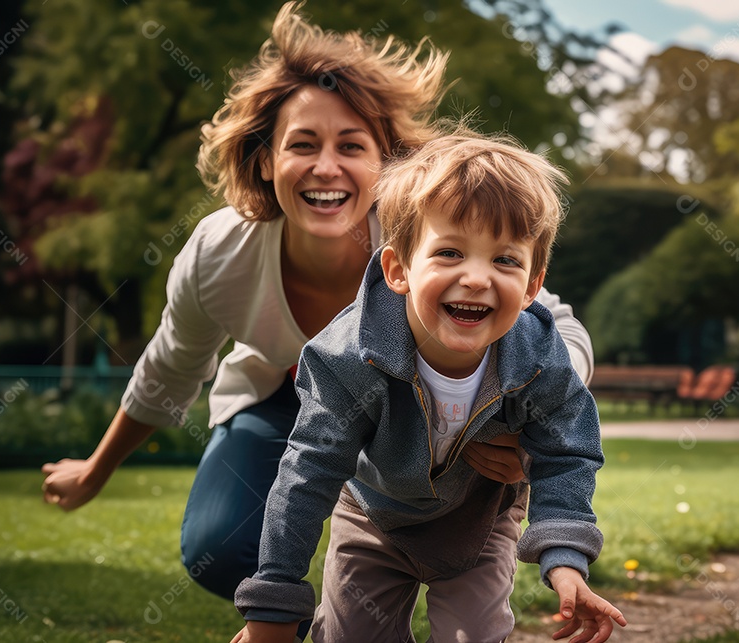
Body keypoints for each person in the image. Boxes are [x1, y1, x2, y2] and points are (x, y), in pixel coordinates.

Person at [39, 0, 594, 605]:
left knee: (455, 555)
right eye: (302, 144)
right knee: (218, 550)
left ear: (387, 163)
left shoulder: (424, 238)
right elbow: (168, 371)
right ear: (266, 159)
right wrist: (93, 471)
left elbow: (554, 327)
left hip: (419, 410)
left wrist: (528, 411)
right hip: (279, 399)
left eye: (352, 147)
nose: (326, 168)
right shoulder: (220, 252)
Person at [232, 132, 626, 643]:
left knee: (476, 634)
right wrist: (275, 599)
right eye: (450, 252)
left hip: (479, 519)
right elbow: (308, 470)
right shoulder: (350, 355)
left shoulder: (538, 357)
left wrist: (565, 560)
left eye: (505, 260)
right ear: (399, 269)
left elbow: (567, 452)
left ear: (533, 286)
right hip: (374, 514)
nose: (478, 278)